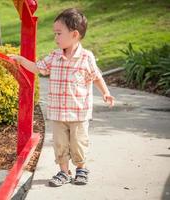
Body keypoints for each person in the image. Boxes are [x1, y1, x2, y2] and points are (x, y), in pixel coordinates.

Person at [10, 8, 115, 186]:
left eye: (58, 33)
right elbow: (38, 68)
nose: (55, 38)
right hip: (58, 113)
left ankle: (81, 168)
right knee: (60, 144)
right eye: (55, 33)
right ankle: (64, 172)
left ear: (74, 34)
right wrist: (21, 60)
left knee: (78, 144)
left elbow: (96, 76)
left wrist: (106, 93)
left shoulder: (86, 57)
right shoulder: (54, 57)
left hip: (79, 113)